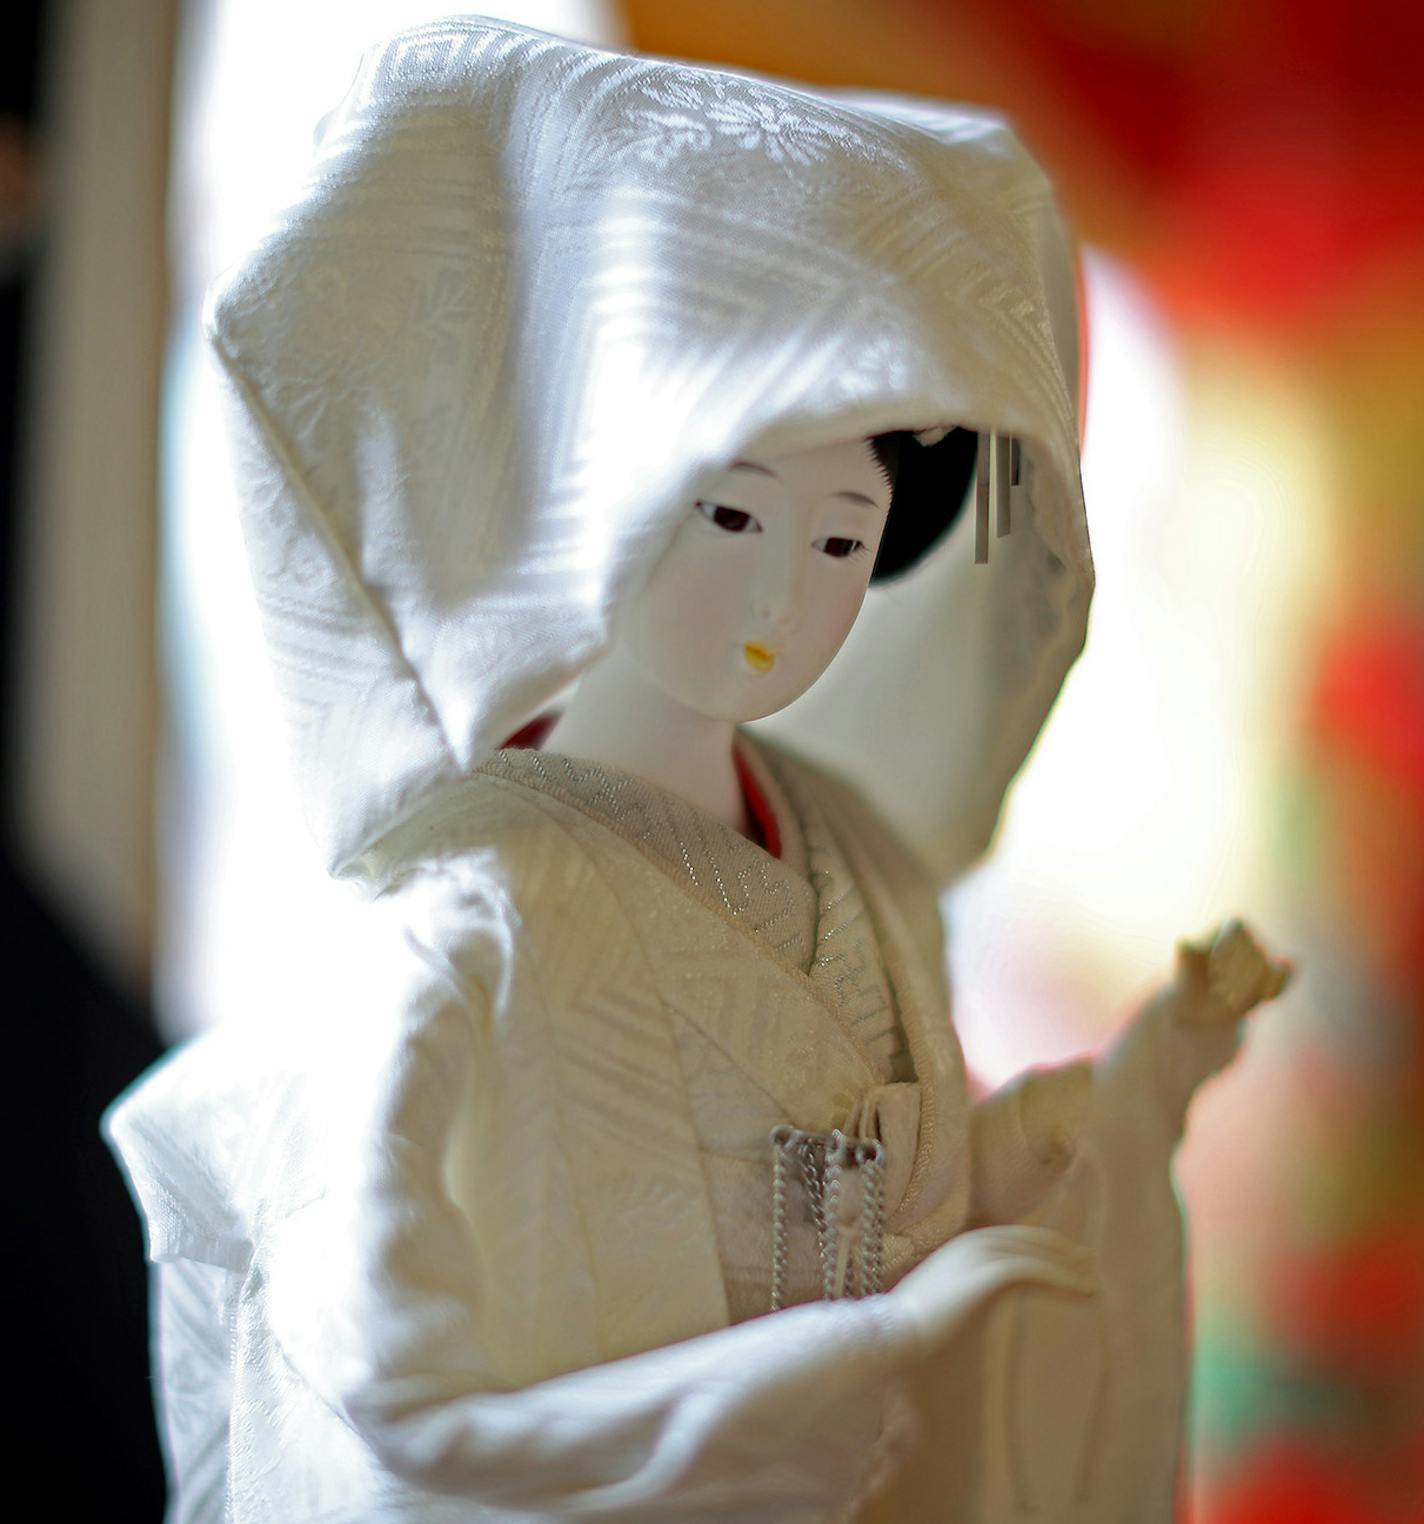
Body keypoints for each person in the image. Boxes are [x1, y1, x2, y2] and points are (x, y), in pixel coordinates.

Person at [105, 17, 1290, 1521]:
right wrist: (875, 1345)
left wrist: (1122, 1108)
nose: (785, 598)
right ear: (591, 502)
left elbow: (911, 1190)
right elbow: (392, 1378)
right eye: (732, 519)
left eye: (843, 538)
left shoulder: (859, 861)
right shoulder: (478, 914)